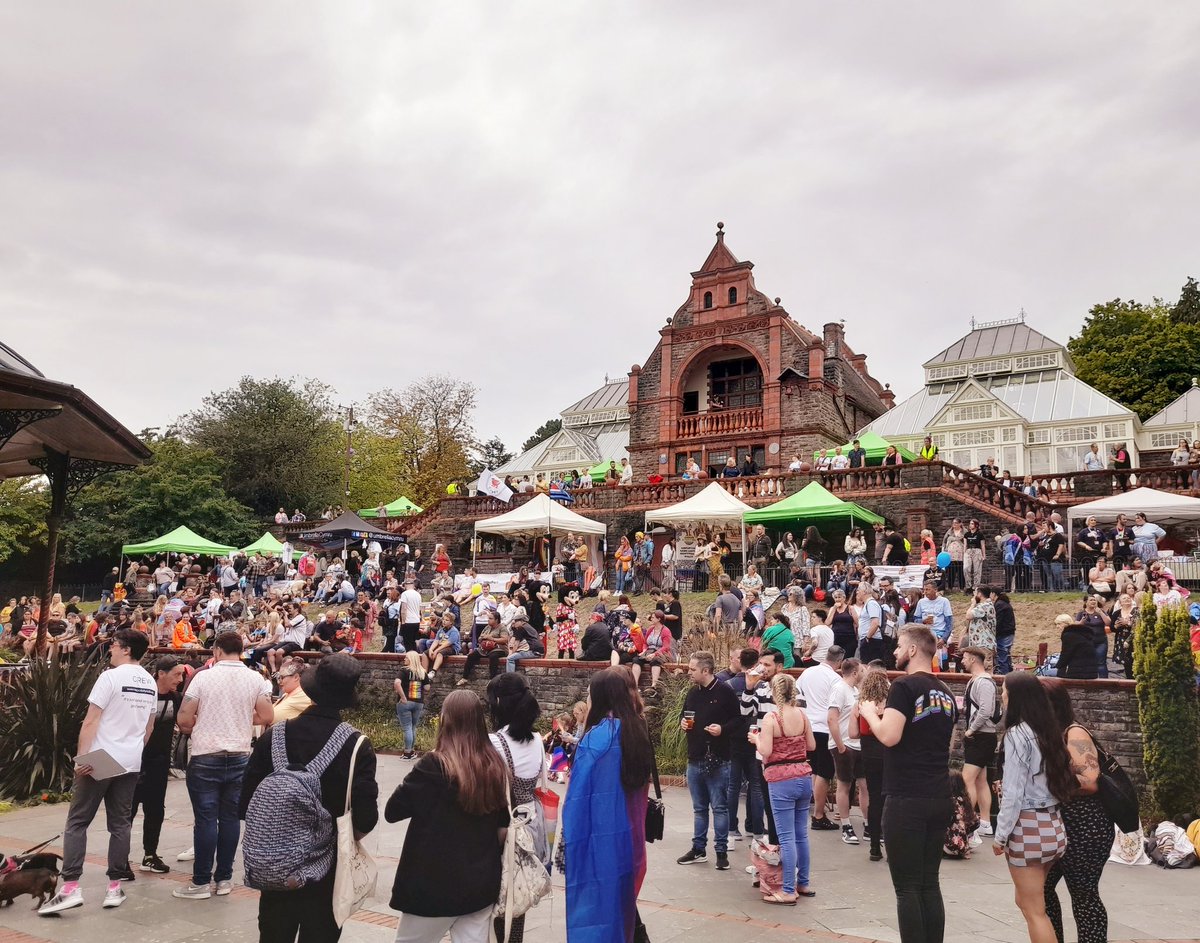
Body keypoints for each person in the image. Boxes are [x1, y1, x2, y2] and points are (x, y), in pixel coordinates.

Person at [238, 654, 378, 943]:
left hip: (277, 870)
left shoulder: (273, 737)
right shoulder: (356, 746)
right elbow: (366, 819)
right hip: (328, 873)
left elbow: (246, 805)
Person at [38, 630, 156, 915]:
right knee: (120, 824)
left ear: (126, 649)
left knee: (78, 822)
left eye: (114, 646)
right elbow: (148, 728)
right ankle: (114, 887)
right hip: (130, 760)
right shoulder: (150, 682)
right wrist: (132, 751)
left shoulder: (110, 677)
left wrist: (83, 759)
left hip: (101, 757)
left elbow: (91, 721)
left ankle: (70, 888)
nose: (111, 650)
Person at [385, 690, 509, 943]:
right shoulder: (494, 763)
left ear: (446, 720)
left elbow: (392, 811)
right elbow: (502, 825)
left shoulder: (434, 765)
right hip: (480, 883)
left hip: (433, 884)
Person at [858, 626, 957, 943]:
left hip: (906, 797)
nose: (896, 652)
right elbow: (950, 745)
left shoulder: (903, 687)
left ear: (913, 649)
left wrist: (870, 714)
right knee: (930, 882)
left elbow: (889, 736)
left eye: (899, 646)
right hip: (939, 794)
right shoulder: (947, 693)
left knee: (907, 886)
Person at [173, 632, 274, 900]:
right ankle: (225, 879)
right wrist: (241, 717)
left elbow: (184, 719)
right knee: (230, 819)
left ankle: (201, 882)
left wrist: (202, 721)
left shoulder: (203, 678)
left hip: (207, 754)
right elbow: (267, 716)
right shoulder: (256, 678)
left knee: (205, 819)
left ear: (217, 651)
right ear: (241, 650)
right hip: (240, 755)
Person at [563, 668, 654, 943]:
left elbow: (578, 798)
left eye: (590, 695)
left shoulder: (597, 739)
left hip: (600, 837)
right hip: (631, 836)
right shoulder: (636, 727)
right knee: (622, 900)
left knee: (598, 908)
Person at [993, 672, 1076, 943]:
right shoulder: (1047, 731)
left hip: (1028, 830)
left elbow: (1013, 793)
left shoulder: (1017, 735)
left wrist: (1000, 835)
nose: (1002, 696)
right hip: (1053, 827)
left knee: (1034, 911)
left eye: (1004, 691)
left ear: (1017, 697)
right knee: (1028, 902)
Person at [1041, 680, 1114, 943]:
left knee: (1084, 894)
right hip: (1063, 826)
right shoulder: (1050, 734)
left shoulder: (1074, 734)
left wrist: (1049, 787)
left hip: (1087, 827)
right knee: (1042, 890)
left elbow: (1091, 782)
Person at [486, 674, 549, 943]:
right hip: (531, 823)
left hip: (501, 827)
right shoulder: (537, 739)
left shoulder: (495, 742)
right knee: (517, 892)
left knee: (496, 895)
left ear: (499, 703)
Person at [750, 672, 816, 904]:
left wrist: (756, 740)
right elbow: (811, 745)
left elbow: (766, 751)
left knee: (786, 837)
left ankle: (788, 889)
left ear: (775, 692)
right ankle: (804, 882)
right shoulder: (802, 715)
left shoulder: (772, 718)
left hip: (780, 779)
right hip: (803, 776)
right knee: (801, 835)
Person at [677, 651, 741, 869]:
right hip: (694, 756)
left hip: (718, 757)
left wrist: (722, 729)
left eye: (693, 669)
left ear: (706, 670)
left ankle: (721, 851)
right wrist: (682, 724)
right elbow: (683, 714)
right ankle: (698, 848)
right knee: (699, 808)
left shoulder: (725, 691)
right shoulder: (692, 692)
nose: (689, 672)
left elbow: (738, 720)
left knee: (719, 807)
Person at [796, 645, 844, 832]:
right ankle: (818, 814)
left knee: (812, 768)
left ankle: (813, 807)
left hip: (808, 725)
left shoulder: (807, 673)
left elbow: (797, 695)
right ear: (839, 661)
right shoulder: (835, 679)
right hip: (824, 728)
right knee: (824, 772)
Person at [960, 646, 999, 842]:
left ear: (974, 659)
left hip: (981, 737)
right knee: (980, 780)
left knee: (967, 779)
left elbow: (985, 710)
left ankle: (970, 826)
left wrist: (970, 730)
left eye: (965, 658)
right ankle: (985, 823)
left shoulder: (984, 682)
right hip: (981, 736)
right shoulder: (975, 681)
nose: (962, 662)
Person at [827, 657, 866, 846]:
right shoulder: (839, 689)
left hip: (857, 744)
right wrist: (840, 745)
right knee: (844, 784)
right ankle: (846, 824)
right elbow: (832, 719)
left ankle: (868, 823)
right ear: (855, 672)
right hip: (844, 743)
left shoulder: (856, 691)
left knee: (864, 785)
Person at [855, 667, 890, 862]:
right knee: (890, 798)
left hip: (868, 753)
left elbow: (853, 732)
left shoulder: (861, 705)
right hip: (887, 751)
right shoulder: (890, 705)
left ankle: (874, 847)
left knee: (874, 798)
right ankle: (891, 843)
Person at [394, 651, 430, 759]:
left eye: (406, 658)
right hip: (418, 703)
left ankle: (407, 753)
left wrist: (403, 697)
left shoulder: (404, 671)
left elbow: (396, 683)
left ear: (411, 659)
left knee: (407, 728)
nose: (404, 659)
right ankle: (412, 751)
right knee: (413, 727)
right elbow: (427, 688)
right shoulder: (422, 672)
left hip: (405, 703)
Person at [1074, 595, 1111, 678]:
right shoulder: (1081, 613)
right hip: (1086, 642)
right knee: (1087, 662)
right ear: (1086, 602)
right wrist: (1082, 621)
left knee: (1101, 663)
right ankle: (1088, 680)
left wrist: (1101, 612)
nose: (1093, 602)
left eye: (1095, 600)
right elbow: (1076, 627)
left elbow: (1108, 623)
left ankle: (1104, 682)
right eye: (1091, 600)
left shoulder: (1101, 612)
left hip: (1101, 641)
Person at [1054, 614, 1098, 680]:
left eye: (1059, 624)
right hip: (1091, 671)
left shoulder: (1068, 635)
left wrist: (1058, 666)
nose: (1057, 626)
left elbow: (1066, 653)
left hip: (1077, 672)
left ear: (1066, 623)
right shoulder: (1081, 633)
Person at [963, 520, 986, 593]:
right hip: (969, 551)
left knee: (977, 570)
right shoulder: (967, 534)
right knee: (966, 568)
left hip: (977, 551)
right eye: (970, 524)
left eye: (972, 524)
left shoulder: (980, 534)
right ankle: (968, 586)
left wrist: (983, 555)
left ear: (976, 525)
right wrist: (964, 553)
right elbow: (965, 545)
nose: (970, 525)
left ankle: (975, 587)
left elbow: (982, 545)